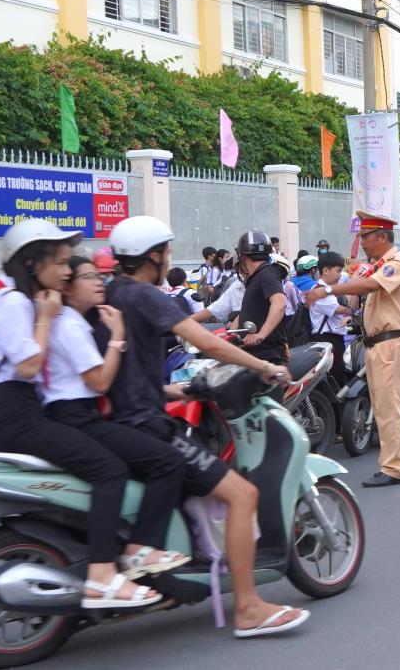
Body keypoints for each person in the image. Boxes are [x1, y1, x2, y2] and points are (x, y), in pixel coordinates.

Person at [105, 216, 308, 636]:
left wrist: (174, 392)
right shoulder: (145, 294)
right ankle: (249, 607)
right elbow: (208, 341)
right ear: (153, 256)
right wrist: (265, 366)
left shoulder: (114, 293)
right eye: (165, 251)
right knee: (242, 493)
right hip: (147, 426)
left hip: (129, 415)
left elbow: (127, 370)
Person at [0, 220, 179, 610]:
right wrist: (47, 316)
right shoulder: (15, 302)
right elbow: (29, 366)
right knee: (109, 470)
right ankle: (102, 575)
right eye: (61, 263)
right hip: (9, 413)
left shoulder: (21, 302)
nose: (66, 272)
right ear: (31, 263)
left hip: (16, 411)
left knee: (110, 464)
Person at [49, 256, 192, 580]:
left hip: (81, 414)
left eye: (102, 275)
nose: (100, 281)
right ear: (68, 288)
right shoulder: (70, 324)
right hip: (76, 416)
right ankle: (139, 549)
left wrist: (170, 391)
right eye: (89, 276)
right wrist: (117, 335)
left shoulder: (77, 321)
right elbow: (100, 381)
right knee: (167, 462)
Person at [305, 212, 400, 487]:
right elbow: (358, 301)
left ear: (382, 236)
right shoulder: (380, 265)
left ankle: (393, 468)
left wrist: (330, 290)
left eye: (365, 237)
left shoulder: (396, 263)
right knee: (388, 405)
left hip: (390, 342)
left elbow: (372, 285)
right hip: (379, 343)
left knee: (389, 407)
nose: (362, 242)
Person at [234, 230, 289, 366]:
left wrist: (260, 335)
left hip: (268, 357)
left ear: (243, 256)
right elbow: (252, 310)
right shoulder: (256, 277)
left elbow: (279, 303)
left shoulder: (266, 273)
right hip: (253, 356)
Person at [309, 251, 352, 386]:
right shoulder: (321, 292)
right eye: (338, 271)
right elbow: (344, 309)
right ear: (325, 271)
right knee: (335, 378)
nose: (341, 275)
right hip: (327, 340)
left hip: (330, 339)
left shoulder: (324, 289)